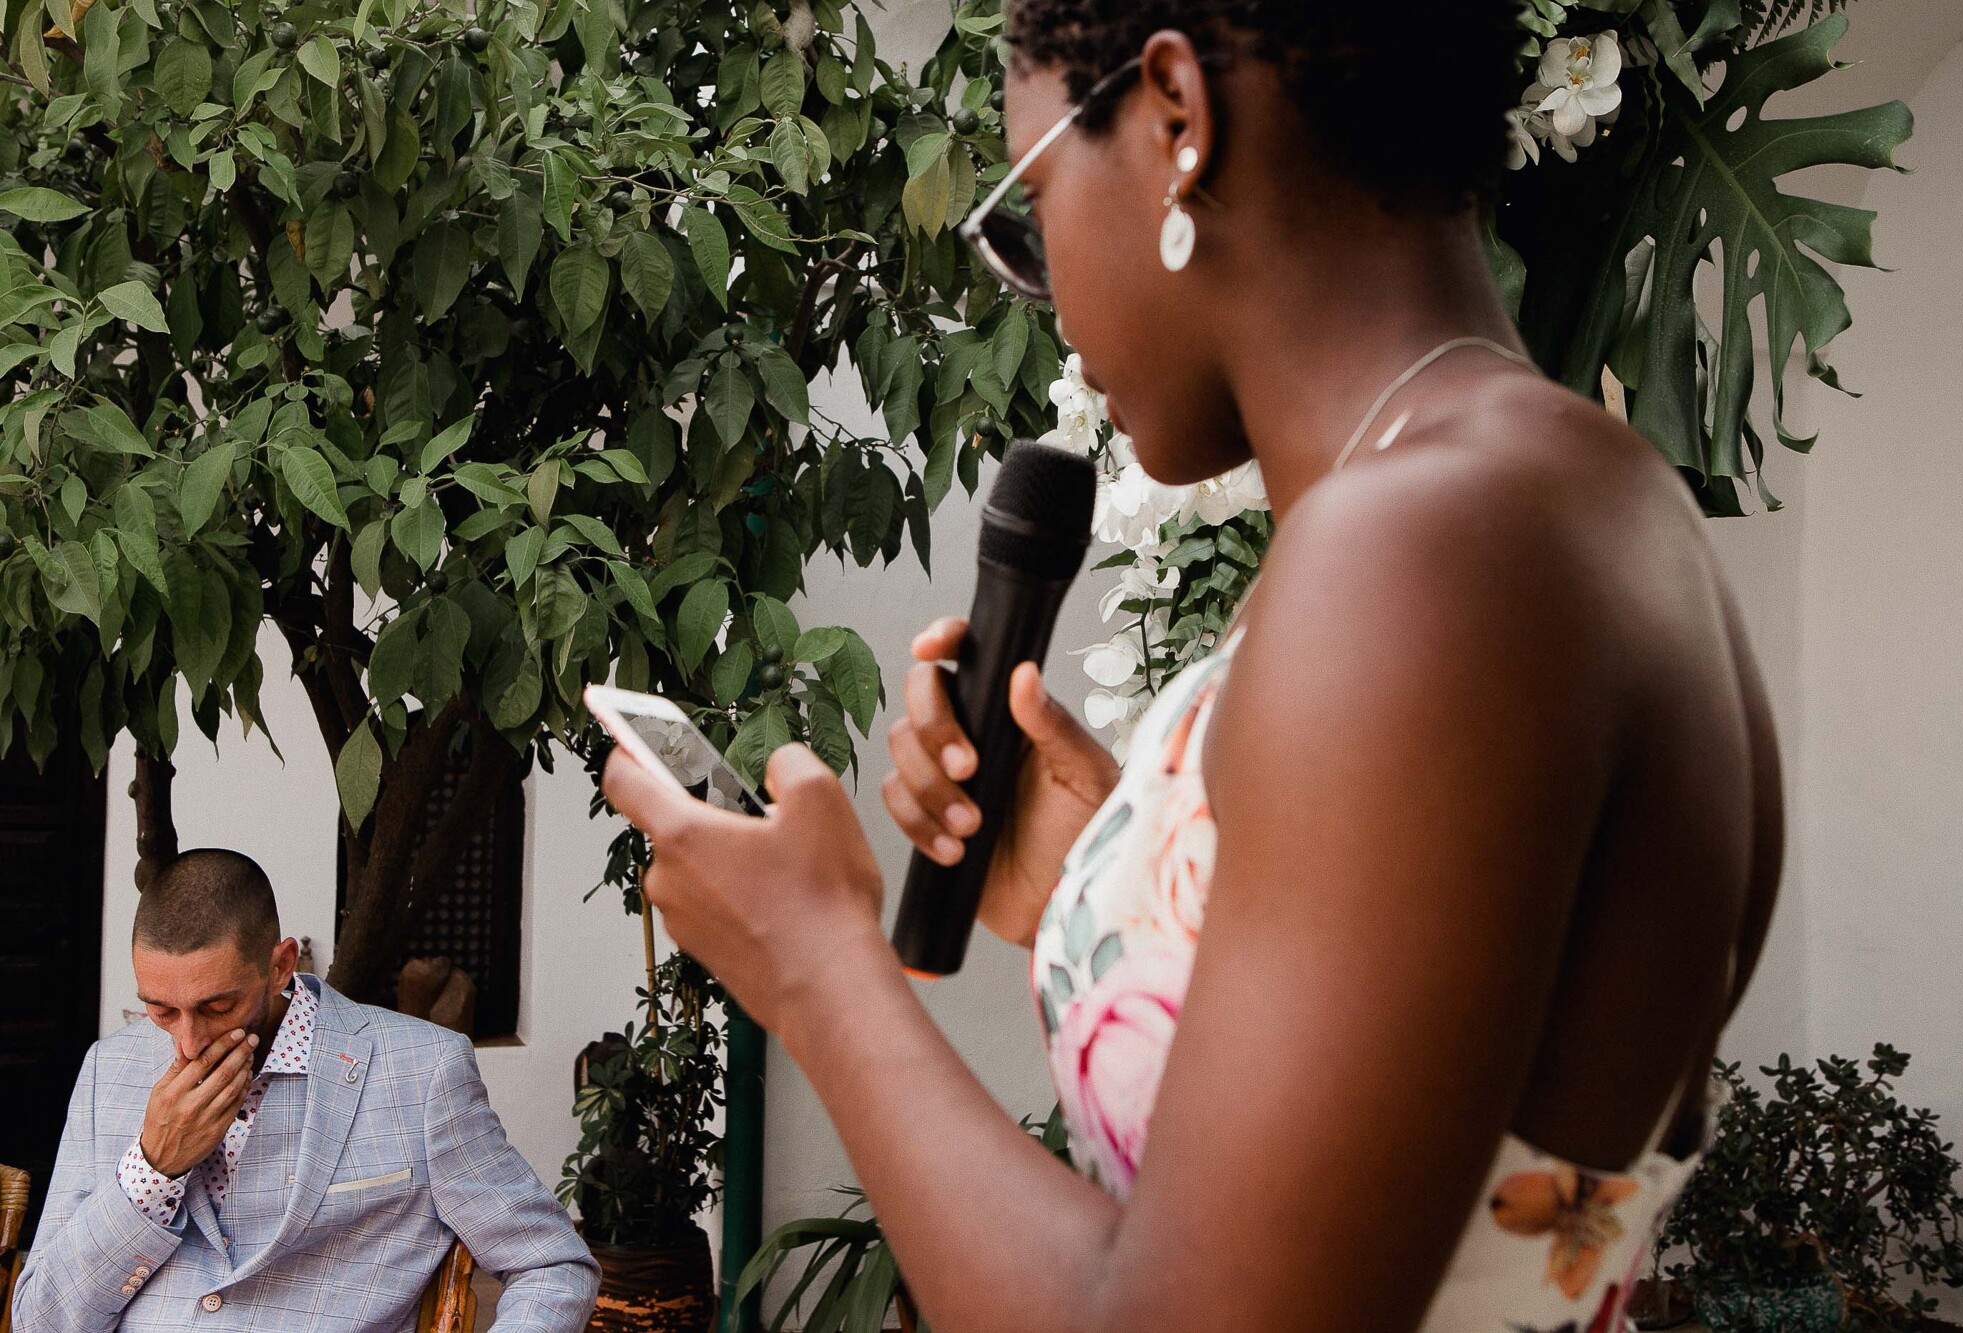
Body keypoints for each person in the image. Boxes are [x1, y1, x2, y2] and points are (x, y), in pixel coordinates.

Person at [601, 2, 1782, 1329]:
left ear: (1176, 116)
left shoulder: (1423, 546)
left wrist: (814, 967)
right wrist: (1106, 886)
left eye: (1032, 197)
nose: (1039, 294)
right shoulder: (1546, 501)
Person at [14, 849, 598, 1332]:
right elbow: (42, 1319)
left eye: (217, 1006)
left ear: (280, 964)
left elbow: (551, 1264)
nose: (188, 1042)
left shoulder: (419, 1071)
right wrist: (151, 1169)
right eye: (161, 1010)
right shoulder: (109, 1069)